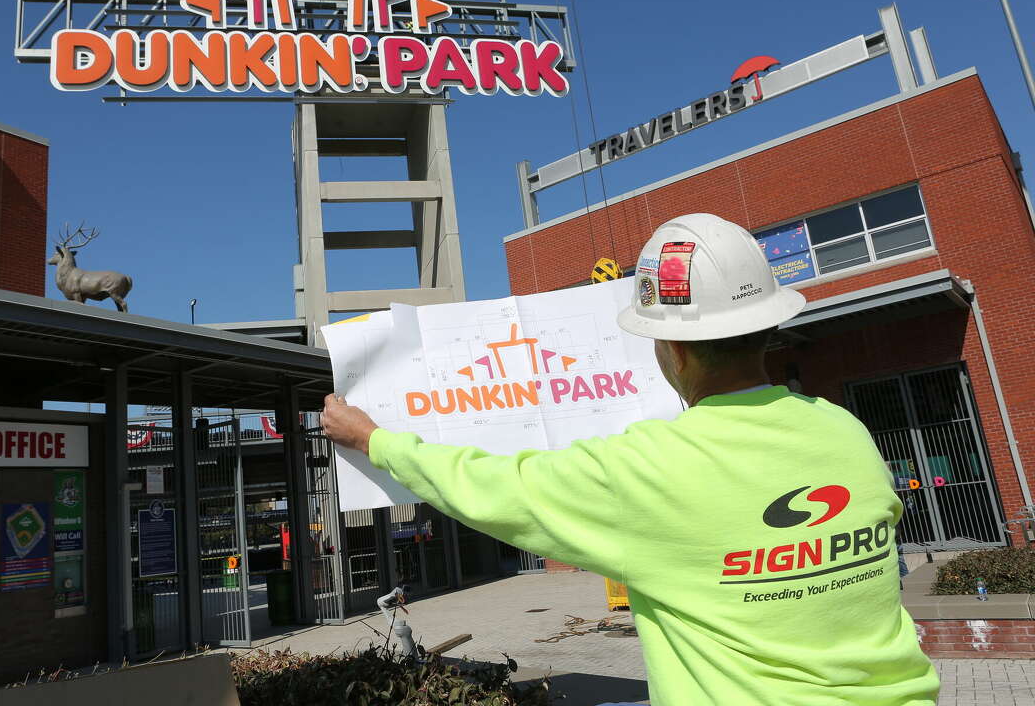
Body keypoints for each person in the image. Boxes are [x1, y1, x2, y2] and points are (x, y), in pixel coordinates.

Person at [321, 213, 939, 705]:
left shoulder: (649, 468)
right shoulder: (844, 431)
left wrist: (374, 439)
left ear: (673, 348)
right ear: (767, 327)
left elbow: (492, 487)